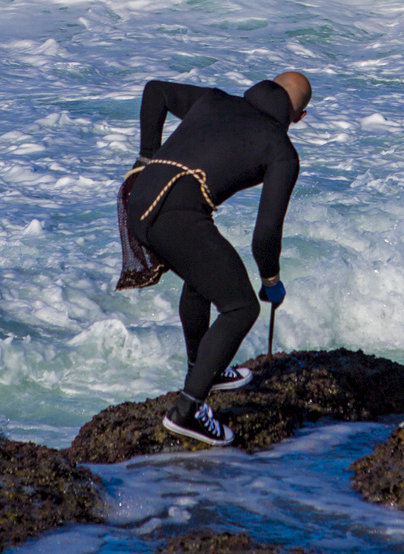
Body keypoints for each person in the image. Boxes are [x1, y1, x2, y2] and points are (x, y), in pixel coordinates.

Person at [116, 71, 311, 446]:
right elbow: (265, 236)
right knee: (240, 306)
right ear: (299, 117)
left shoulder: (215, 100)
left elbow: (155, 91)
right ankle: (187, 411)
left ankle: (205, 370)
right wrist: (271, 281)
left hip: (139, 198)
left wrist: (146, 156)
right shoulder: (280, 150)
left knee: (205, 274)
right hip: (174, 216)